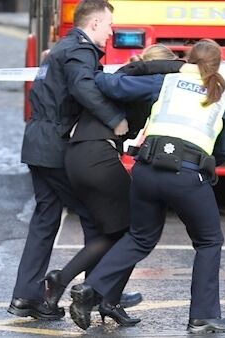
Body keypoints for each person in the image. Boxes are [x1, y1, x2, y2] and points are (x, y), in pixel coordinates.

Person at [68, 39, 225, 334]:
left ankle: (91, 289)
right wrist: (206, 163)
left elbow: (115, 86)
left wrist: (90, 73)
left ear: (188, 59)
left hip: (146, 169)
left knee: (140, 237)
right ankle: (203, 316)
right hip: (188, 174)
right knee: (209, 241)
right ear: (218, 64)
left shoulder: (167, 82)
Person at [8, 0, 140, 320]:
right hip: (54, 147)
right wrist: (115, 120)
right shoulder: (79, 50)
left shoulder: (61, 48)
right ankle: (100, 289)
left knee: (45, 219)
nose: (111, 32)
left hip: (37, 142)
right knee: (98, 218)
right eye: (108, 25)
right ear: (93, 24)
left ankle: (27, 295)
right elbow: (83, 88)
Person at [43, 44, 185, 325]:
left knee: (109, 233)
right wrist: (184, 67)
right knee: (133, 232)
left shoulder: (127, 77)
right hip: (97, 157)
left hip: (79, 156)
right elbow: (147, 71)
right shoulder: (145, 84)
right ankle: (98, 295)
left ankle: (73, 285)